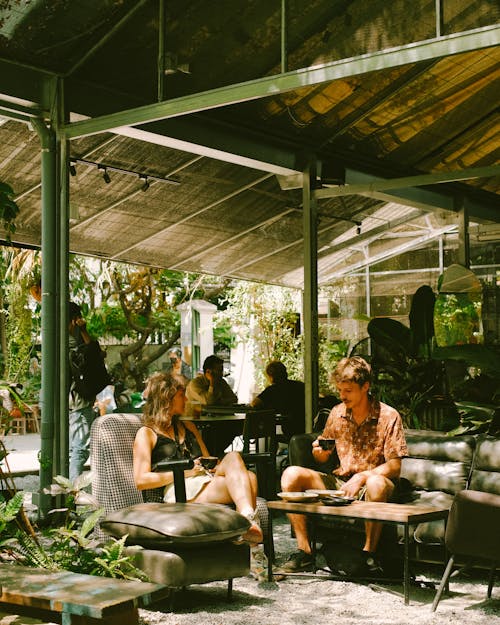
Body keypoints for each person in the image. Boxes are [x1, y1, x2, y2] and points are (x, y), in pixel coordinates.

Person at [278, 356, 408, 574]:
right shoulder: (337, 413)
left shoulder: (388, 415)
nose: (342, 396)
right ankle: (305, 552)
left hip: (374, 485)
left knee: (375, 482)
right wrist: (319, 453)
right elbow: (324, 459)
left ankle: (369, 556)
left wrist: (363, 477)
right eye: (340, 390)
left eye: (348, 391)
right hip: (340, 484)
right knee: (291, 474)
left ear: (365, 386)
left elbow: (395, 466)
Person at [133, 371, 262, 544]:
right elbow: (141, 480)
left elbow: (208, 460)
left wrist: (221, 468)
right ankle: (250, 540)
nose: (186, 400)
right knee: (250, 479)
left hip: (202, 480)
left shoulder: (188, 426)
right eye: (181, 396)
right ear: (167, 398)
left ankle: (246, 523)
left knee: (235, 459)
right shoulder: (146, 434)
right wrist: (185, 472)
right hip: (178, 489)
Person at [186, 354, 239, 456]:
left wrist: (219, 401)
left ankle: (215, 454)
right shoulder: (195, 384)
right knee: (212, 432)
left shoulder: (222, 382)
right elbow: (208, 402)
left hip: (218, 421)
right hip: (197, 423)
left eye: (222, 370)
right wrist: (212, 384)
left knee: (233, 428)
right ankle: (210, 455)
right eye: (219, 370)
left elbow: (234, 399)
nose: (221, 373)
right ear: (208, 371)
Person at [68, 302, 95, 481]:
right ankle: (73, 491)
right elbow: (94, 353)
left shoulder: (57, 337)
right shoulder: (72, 341)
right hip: (79, 399)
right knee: (79, 448)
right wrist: (84, 330)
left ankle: (67, 489)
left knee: (72, 449)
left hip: (68, 400)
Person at [251, 360, 305, 440]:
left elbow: (255, 403)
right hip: (305, 425)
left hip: (290, 429)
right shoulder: (300, 386)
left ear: (270, 376)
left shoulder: (272, 390)